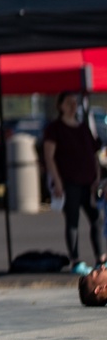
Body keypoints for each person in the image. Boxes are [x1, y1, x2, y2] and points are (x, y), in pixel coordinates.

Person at [43, 92, 105, 276]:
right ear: (60, 105)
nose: (73, 106)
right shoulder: (55, 128)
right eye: (69, 103)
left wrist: (97, 177)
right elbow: (49, 156)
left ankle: (100, 258)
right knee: (73, 221)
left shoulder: (83, 128)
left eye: (75, 103)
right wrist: (57, 181)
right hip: (69, 182)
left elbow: (94, 154)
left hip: (88, 182)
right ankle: (76, 260)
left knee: (97, 218)